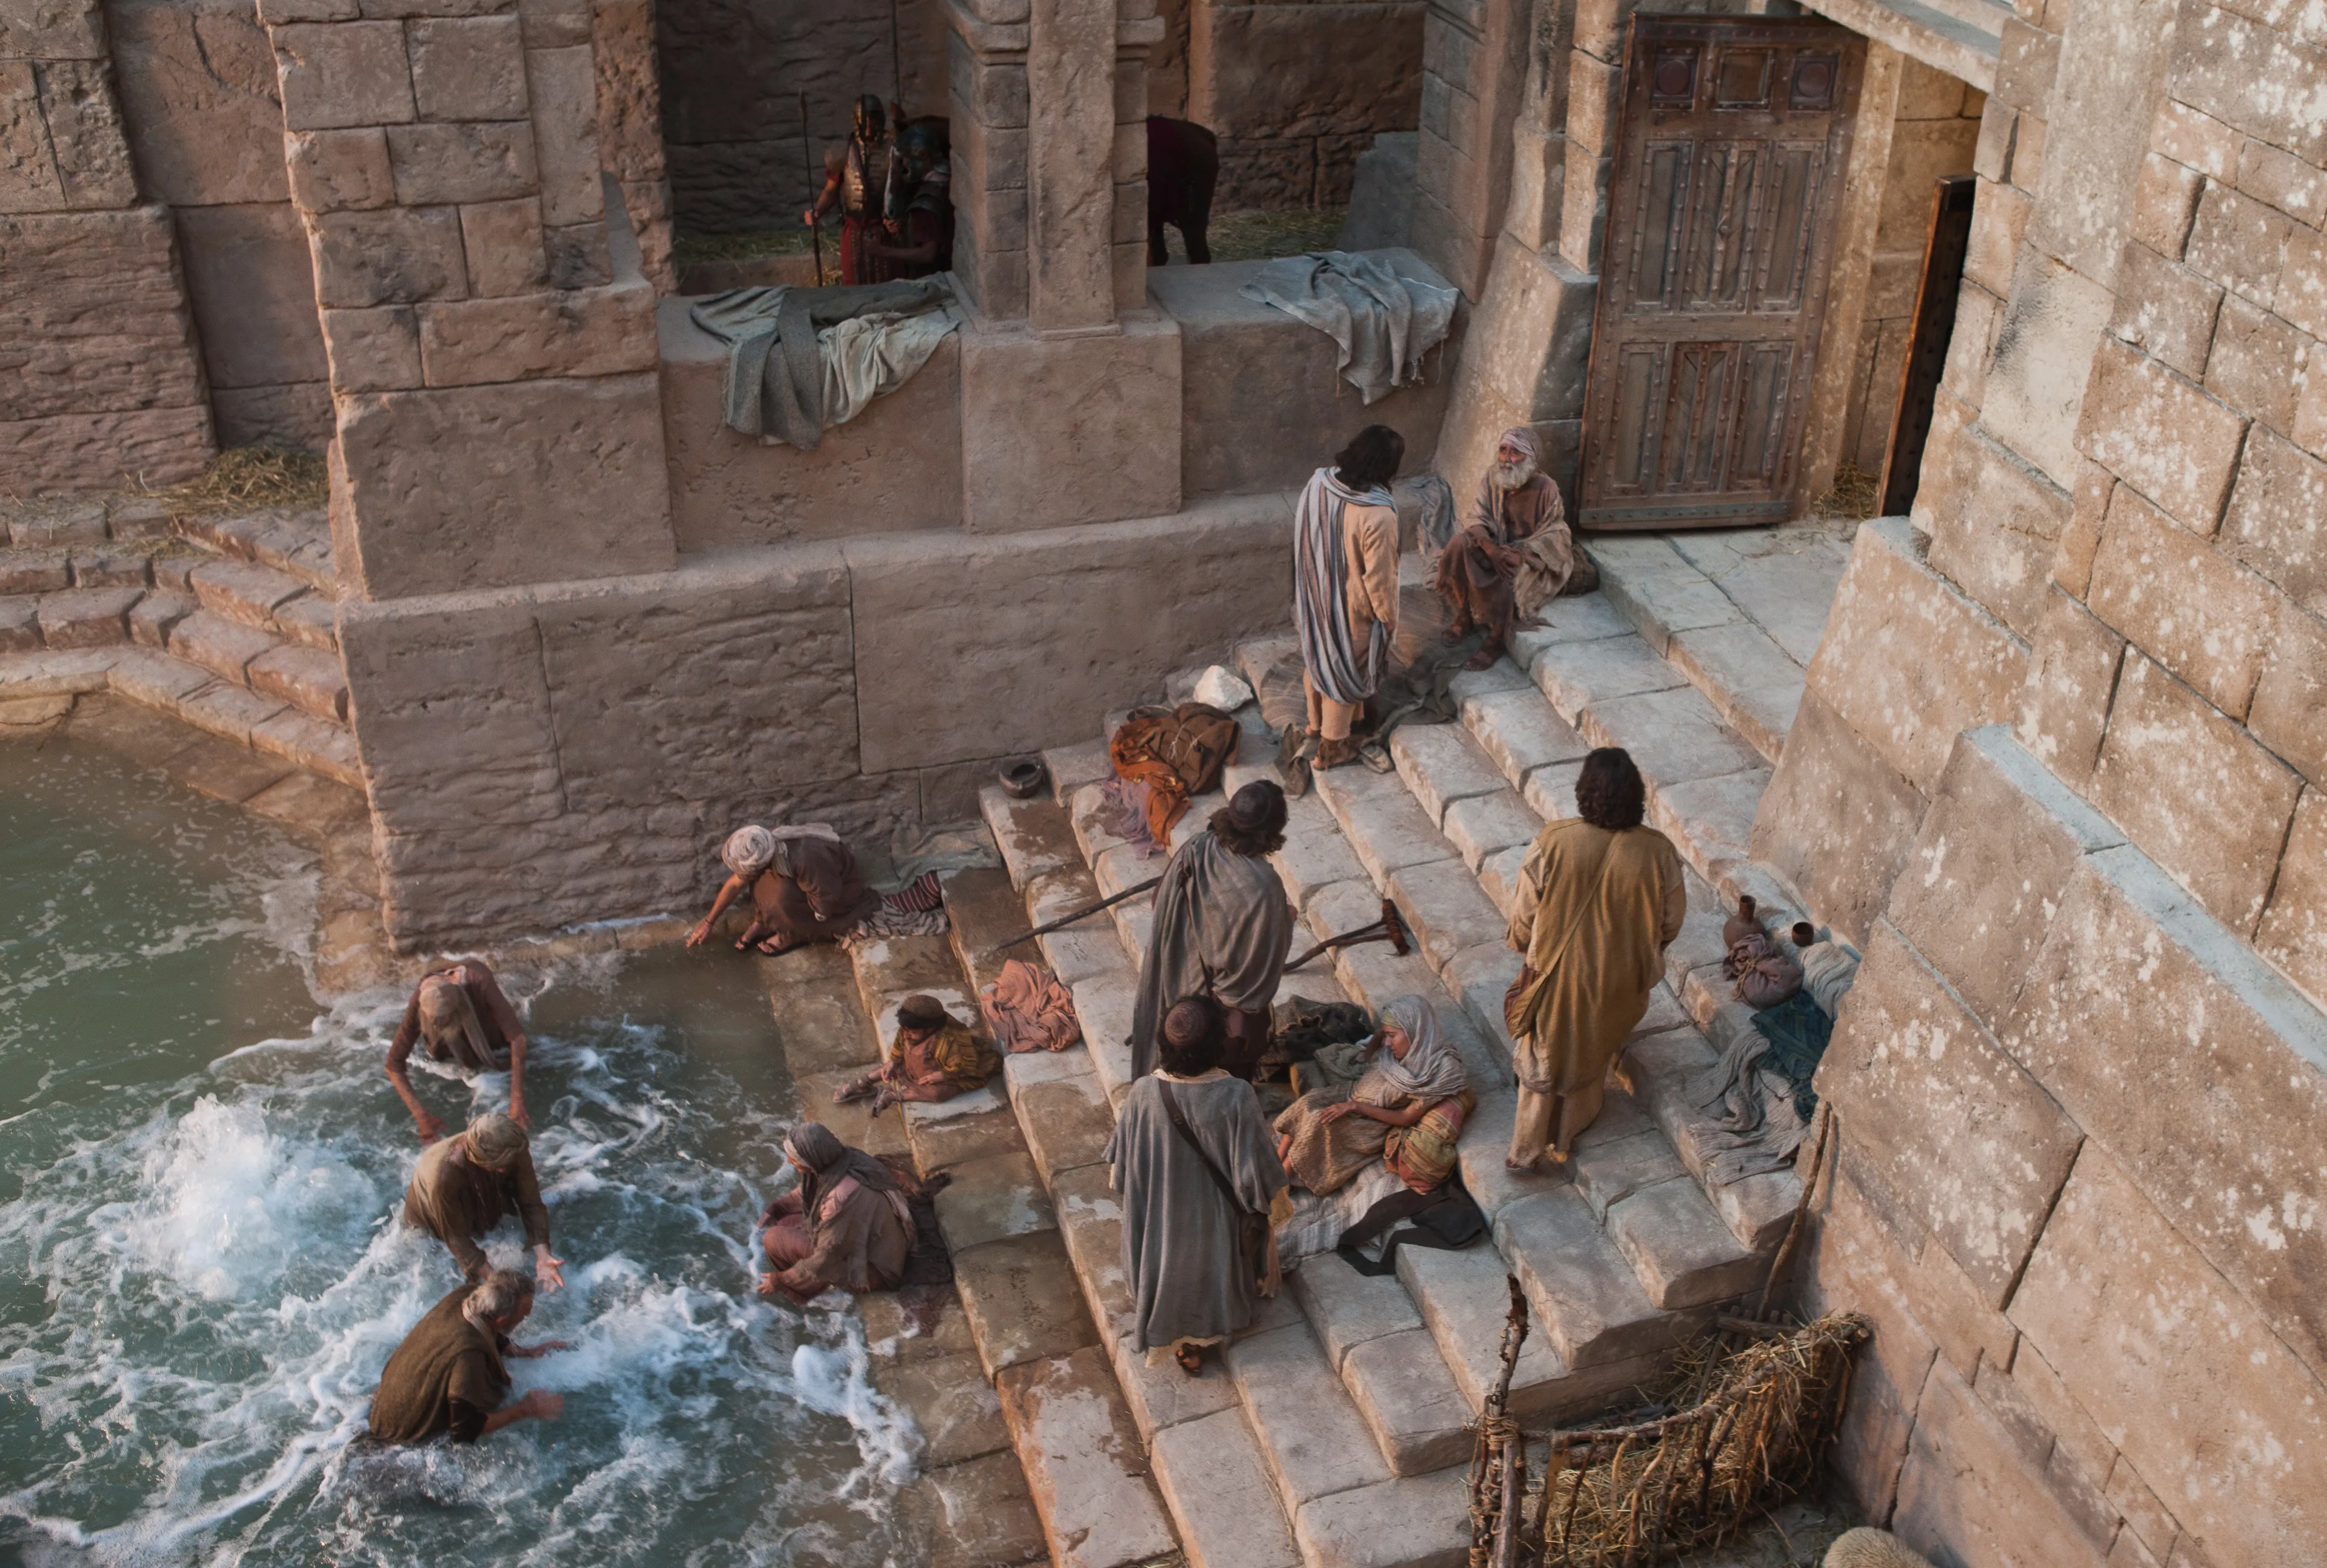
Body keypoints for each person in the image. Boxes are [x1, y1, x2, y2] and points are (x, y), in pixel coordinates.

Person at [1502, 748, 1686, 1169]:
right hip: (1618, 980)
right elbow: (1671, 921)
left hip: (1556, 977)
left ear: (1583, 792)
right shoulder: (1658, 853)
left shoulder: (1553, 842)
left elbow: (1524, 916)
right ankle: (1569, 1132)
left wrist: (1527, 949)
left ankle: (1526, 1150)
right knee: (1592, 1045)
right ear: (1637, 795)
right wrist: (1638, 956)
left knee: (1544, 1055)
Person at [1107, 998, 1290, 1375]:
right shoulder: (1236, 1094)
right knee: (1214, 1265)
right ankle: (1209, 1325)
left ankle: (1182, 1339)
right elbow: (1258, 1177)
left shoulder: (1142, 1092)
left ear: (1164, 1043)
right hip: (1214, 1217)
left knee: (1170, 1269)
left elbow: (1121, 1169)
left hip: (1161, 1215)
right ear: (1216, 1043)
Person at [1129, 780, 1296, 1081]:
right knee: (1226, 1071)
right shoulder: (1265, 886)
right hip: (1226, 1010)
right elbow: (1255, 971)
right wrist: (1285, 920)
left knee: (1182, 1046)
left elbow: (1159, 901)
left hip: (1177, 978)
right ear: (1272, 830)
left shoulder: (1198, 846)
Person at [1273, 995, 1472, 1194]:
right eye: (1386, 1036)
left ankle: (1282, 1180)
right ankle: (1275, 1163)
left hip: (1368, 1120)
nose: (1387, 1043)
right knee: (1308, 1101)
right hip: (1351, 1093)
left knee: (1317, 1121)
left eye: (1392, 1035)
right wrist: (1379, 1037)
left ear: (1414, 1031)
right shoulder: (1397, 1051)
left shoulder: (1439, 1071)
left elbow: (1406, 1118)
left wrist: (1356, 1107)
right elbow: (1369, 1061)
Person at [1294, 425, 1403, 769]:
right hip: (1351, 609)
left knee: (1319, 657)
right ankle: (1332, 750)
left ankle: (1314, 724)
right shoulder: (1379, 516)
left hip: (1314, 593)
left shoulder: (1319, 482)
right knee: (1344, 674)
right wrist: (1388, 618)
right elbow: (1380, 579)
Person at [367, 1267, 569, 1445]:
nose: (528, 1315)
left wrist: (524, 1352)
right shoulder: (468, 1357)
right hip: (399, 1442)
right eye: (524, 1313)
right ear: (502, 1319)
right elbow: (464, 1431)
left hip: (380, 1408)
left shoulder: (467, 1296)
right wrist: (526, 1409)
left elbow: (486, 1328)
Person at [1436, 426, 1583, 670]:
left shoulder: (1547, 488)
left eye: (1515, 453)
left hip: (1526, 555)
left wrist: (1520, 554)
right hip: (1494, 545)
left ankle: (1496, 637)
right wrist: (1490, 549)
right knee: (1458, 544)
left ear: (1530, 458)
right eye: (1503, 451)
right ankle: (1464, 614)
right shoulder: (1493, 477)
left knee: (1510, 571)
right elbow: (1477, 517)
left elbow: (1556, 534)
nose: (1506, 459)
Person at [756, 1121, 917, 1304]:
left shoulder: (839, 1198)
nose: (788, 1161)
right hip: (884, 1242)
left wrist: (781, 1280)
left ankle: (801, 1291)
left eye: (793, 1159)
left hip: (876, 1270)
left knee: (773, 1239)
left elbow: (826, 1257)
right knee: (786, 1221)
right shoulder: (845, 1159)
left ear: (810, 1160)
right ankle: (802, 1279)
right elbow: (805, 1195)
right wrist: (776, 1208)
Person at [403, 1112, 566, 1291]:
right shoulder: (444, 1176)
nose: (505, 1170)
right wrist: (497, 1282)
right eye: (499, 1165)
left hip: (477, 1184)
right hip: (431, 1214)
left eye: (507, 1163)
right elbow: (456, 1238)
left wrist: (543, 1255)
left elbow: (531, 1203)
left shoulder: (514, 1146)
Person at [384, 959, 531, 1143]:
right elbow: (393, 1066)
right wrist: (421, 1116)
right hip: (450, 1056)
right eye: (433, 1020)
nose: (437, 1025)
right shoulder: (422, 999)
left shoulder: (480, 979)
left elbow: (517, 1038)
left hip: (492, 1042)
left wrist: (517, 1100)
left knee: (525, 1059)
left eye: (443, 1020)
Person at [687, 823, 880, 956]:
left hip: (836, 892)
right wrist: (709, 922)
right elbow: (735, 885)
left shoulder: (807, 858)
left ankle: (790, 934)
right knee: (763, 886)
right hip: (808, 880)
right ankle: (763, 922)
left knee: (780, 901)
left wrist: (795, 922)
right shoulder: (764, 847)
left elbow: (825, 902)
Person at [834, 994, 1001, 1114]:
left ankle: (893, 1096)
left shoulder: (948, 1042)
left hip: (938, 1073)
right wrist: (894, 1063)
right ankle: (865, 1082)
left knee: (938, 1094)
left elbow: (964, 1066)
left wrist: (943, 1075)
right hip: (913, 1066)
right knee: (892, 1065)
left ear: (929, 1029)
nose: (906, 1035)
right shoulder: (910, 1029)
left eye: (912, 1033)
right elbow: (899, 1045)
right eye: (905, 1030)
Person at [803, 93, 899, 285]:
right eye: (864, 118)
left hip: (884, 230)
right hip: (854, 229)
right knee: (854, 285)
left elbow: (902, 188)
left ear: (880, 119)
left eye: (873, 117)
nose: (868, 124)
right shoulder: (843, 150)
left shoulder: (893, 150)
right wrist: (817, 211)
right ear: (856, 120)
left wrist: (899, 219)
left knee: (888, 284)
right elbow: (831, 190)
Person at [864, 121, 953, 279]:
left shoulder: (926, 202)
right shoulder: (949, 183)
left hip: (933, 280)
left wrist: (881, 251)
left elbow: (928, 254)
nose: (904, 163)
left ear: (924, 156)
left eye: (906, 157)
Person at [1147, 116, 1219, 264]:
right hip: (1164, 165)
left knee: (1194, 230)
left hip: (1188, 167)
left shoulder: (1194, 146)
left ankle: (1200, 270)